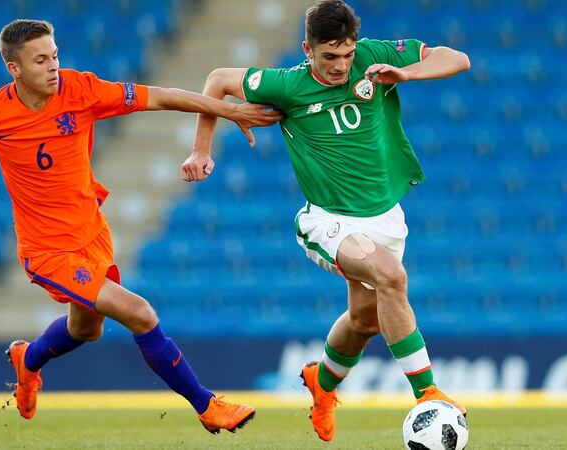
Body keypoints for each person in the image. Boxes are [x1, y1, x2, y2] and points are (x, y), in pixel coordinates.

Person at [0, 19, 281, 433]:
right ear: (15, 69)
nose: (53, 67)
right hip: (47, 252)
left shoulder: (80, 91)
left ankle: (29, 360)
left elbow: (161, 97)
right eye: (40, 60)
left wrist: (230, 109)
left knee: (85, 329)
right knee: (140, 313)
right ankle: (207, 405)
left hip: (91, 233)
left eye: (55, 56)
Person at [183, 0, 470, 442]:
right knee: (391, 277)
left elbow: (457, 58)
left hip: (384, 217)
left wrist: (407, 74)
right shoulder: (286, 84)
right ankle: (427, 392)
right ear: (307, 49)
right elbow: (218, 81)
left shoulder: (375, 58)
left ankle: (324, 383)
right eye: (329, 56)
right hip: (327, 220)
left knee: (366, 319)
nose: (341, 67)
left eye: (347, 55)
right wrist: (203, 149)